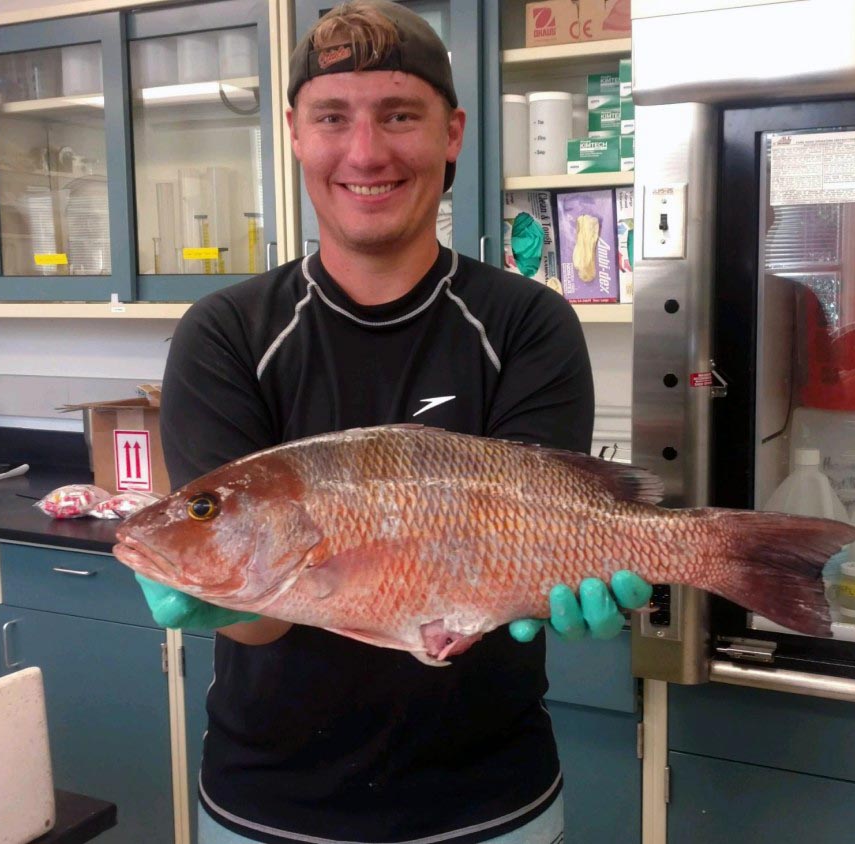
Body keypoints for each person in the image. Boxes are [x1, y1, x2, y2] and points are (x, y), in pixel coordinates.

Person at [137, 2, 651, 842]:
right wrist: (210, 589)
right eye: (332, 118)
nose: (365, 152)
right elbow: (265, 612)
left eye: (399, 116)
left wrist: (593, 564)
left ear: (451, 134)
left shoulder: (529, 322)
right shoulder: (225, 332)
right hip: (268, 809)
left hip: (492, 807)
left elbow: (547, 531)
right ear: (297, 135)